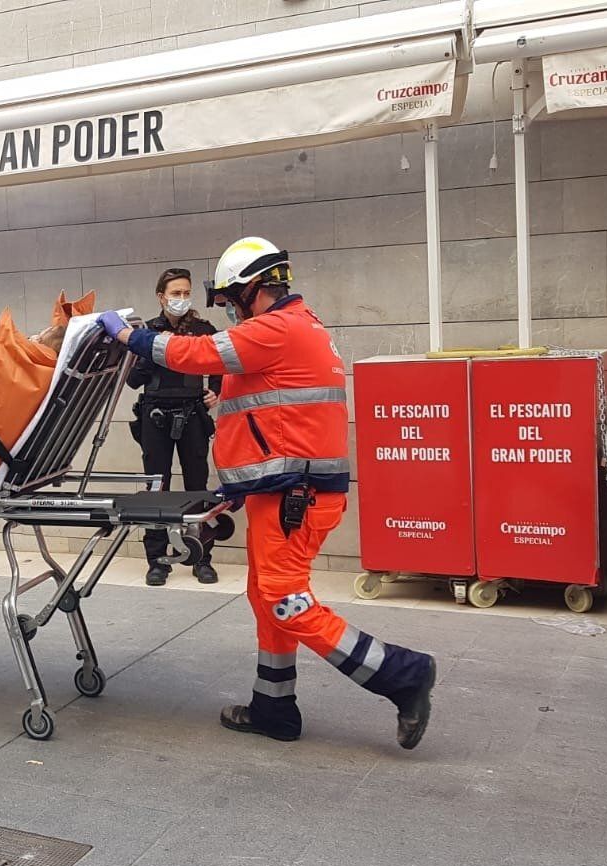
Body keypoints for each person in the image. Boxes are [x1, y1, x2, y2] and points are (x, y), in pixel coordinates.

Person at [97, 237, 437, 749]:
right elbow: (271, 427)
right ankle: (274, 707)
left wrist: (129, 335)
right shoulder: (300, 328)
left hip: (294, 498)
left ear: (254, 288)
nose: (231, 311)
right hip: (282, 492)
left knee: (285, 600)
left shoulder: (278, 328)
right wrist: (233, 492)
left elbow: (198, 352)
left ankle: (402, 674)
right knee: (269, 596)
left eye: (232, 300)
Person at [127, 268, 222, 586]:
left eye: (186, 293)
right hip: (155, 416)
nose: (181, 299)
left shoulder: (202, 329)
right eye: (175, 293)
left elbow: (221, 362)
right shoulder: (147, 333)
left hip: (193, 414)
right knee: (157, 487)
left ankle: (202, 557)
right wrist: (157, 350)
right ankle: (157, 560)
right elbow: (132, 381)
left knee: (197, 486)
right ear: (161, 297)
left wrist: (215, 391)